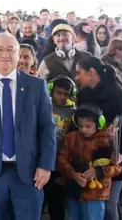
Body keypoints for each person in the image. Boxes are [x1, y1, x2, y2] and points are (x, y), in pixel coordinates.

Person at [0, 32, 56, 220]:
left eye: (11, 50)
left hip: (30, 172)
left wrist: (46, 165)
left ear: (18, 54)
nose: (5, 55)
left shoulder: (37, 86)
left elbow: (47, 128)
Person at [74, 57, 122, 220]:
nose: (76, 77)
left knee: (108, 205)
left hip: (113, 159)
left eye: (79, 73)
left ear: (91, 72)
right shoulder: (83, 95)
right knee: (89, 206)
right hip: (87, 157)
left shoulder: (118, 95)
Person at [57, 105, 122, 220]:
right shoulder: (71, 137)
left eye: (88, 126)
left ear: (99, 124)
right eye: (80, 125)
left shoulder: (107, 139)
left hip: (96, 193)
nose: (83, 129)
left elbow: (117, 168)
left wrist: (98, 172)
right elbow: (62, 159)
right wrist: (73, 174)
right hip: (73, 189)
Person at [44, 75, 77, 220]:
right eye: (59, 93)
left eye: (66, 94)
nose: (62, 97)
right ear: (51, 90)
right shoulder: (44, 106)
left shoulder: (73, 112)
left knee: (57, 204)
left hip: (61, 163)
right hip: (44, 160)